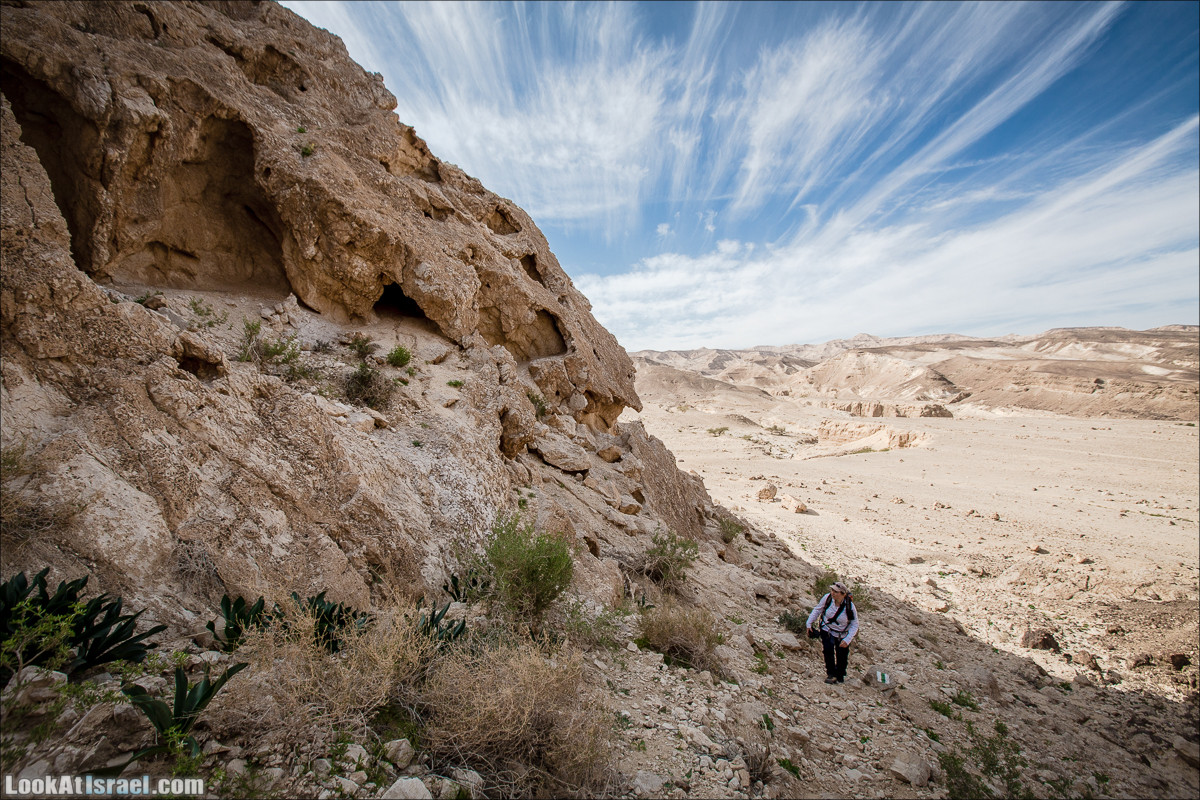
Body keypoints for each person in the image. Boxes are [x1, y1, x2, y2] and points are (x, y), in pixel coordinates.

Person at [806, 581, 859, 684]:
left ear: (843, 594)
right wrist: (809, 623)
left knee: (842, 656)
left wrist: (848, 639)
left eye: (836, 591)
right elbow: (818, 609)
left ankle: (840, 675)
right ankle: (831, 674)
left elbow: (854, 624)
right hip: (827, 630)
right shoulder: (827, 598)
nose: (833, 593)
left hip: (842, 634)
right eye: (832, 590)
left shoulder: (850, 606)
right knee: (828, 651)